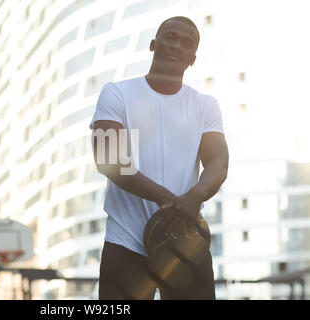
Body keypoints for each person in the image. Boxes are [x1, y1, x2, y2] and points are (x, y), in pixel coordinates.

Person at [89, 16, 229, 300]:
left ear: (193, 58)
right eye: (170, 37)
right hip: (126, 241)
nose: (177, 46)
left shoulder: (205, 106)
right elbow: (110, 160)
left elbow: (219, 163)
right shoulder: (117, 93)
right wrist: (167, 198)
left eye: (186, 43)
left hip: (185, 243)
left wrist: (194, 197)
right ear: (154, 44)